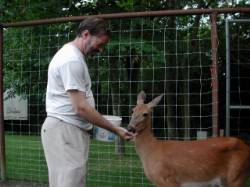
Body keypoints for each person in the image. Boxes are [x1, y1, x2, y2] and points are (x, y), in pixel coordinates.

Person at [41, 17, 135, 187]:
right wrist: (114, 129)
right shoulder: (71, 60)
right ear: (85, 34)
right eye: (99, 44)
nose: (100, 50)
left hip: (67, 130)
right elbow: (81, 108)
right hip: (65, 130)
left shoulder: (73, 56)